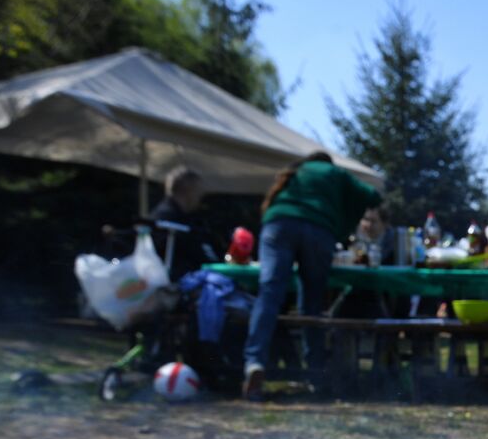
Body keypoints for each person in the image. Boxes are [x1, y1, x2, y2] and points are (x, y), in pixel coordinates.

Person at [243, 152, 381, 399]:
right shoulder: (335, 173)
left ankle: (254, 362)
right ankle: (315, 374)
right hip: (318, 230)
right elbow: (373, 196)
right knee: (312, 302)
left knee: (269, 293)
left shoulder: (296, 172)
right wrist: (343, 220)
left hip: (279, 224)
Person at [148, 167, 217, 280]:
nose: (200, 198)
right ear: (188, 190)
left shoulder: (181, 217)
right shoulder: (168, 219)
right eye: (198, 192)